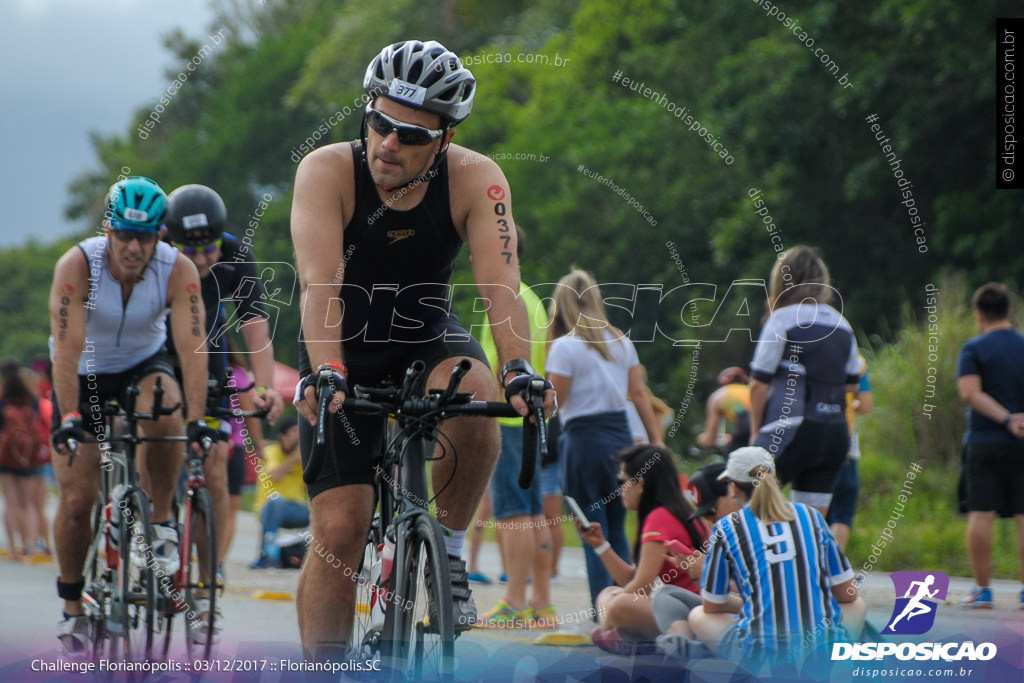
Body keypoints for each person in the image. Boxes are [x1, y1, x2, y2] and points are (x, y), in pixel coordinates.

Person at [289, 40, 555, 659]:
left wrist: (520, 367)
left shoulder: (477, 178)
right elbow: (319, 284)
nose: (389, 143)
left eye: (410, 135)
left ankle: (450, 557)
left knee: (480, 392)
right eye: (380, 121)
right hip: (340, 344)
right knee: (341, 528)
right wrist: (326, 371)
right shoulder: (327, 170)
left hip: (424, 335)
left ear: (444, 137)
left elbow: (500, 283)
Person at [48, 176, 218, 655]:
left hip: (143, 364)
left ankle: (160, 526)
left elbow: (192, 347)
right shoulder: (78, 265)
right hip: (83, 372)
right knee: (78, 499)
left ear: (160, 234)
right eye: (124, 234)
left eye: (144, 236)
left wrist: (198, 422)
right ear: (108, 229)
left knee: (166, 405)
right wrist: (68, 416)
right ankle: (72, 604)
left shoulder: (176, 268)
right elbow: (66, 348)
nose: (133, 246)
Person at [164, 184, 285, 573]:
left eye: (208, 248)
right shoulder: (157, 252)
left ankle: (207, 571)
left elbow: (255, 329)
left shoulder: (236, 255)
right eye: (190, 249)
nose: (200, 259)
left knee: (215, 458)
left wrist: (265, 388)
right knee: (159, 443)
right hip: (159, 350)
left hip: (209, 350)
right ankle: (159, 527)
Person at [674, 447, 866, 673]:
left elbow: (712, 605)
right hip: (818, 650)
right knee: (857, 605)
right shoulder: (811, 515)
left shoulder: (726, 528)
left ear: (733, 487)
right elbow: (847, 593)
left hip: (760, 656)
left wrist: (748, 602)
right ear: (774, 481)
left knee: (698, 615)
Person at [546, 268, 663, 608]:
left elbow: (557, 402)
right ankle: (623, 606)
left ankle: (603, 609)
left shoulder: (565, 348)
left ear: (561, 305)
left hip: (584, 442)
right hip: (622, 442)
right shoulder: (621, 342)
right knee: (615, 527)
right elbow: (639, 395)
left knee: (591, 532)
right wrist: (656, 441)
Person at [474, 229, 554, 629]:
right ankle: (541, 602)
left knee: (512, 513)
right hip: (531, 414)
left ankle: (515, 602)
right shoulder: (532, 297)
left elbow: (491, 362)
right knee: (534, 511)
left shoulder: (505, 297)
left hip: (507, 416)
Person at [748, 245, 861, 516]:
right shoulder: (842, 322)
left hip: (789, 429)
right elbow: (852, 385)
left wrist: (756, 433)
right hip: (834, 434)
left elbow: (757, 383)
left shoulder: (782, 319)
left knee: (746, 503)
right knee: (809, 525)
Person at [579, 445, 708, 654]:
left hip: (687, 612)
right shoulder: (677, 511)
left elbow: (641, 587)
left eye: (622, 481)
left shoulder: (659, 517)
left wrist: (608, 622)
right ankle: (630, 639)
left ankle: (621, 636)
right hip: (694, 607)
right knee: (609, 594)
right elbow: (635, 580)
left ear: (639, 484)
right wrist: (600, 545)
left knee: (618, 602)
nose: (620, 489)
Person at [956, 282, 1024, 608]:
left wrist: (1006, 417)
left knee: (981, 513)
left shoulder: (974, 349)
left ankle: (983, 591)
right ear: (1010, 311)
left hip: (984, 441)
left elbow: (970, 393)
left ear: (979, 315)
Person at [0, 358, 50, 560]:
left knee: (12, 502)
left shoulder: (2, 399)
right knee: (32, 504)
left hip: (5, 455)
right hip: (31, 454)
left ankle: (14, 546)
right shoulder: (33, 399)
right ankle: (32, 545)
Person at [826, 357, 872, 551]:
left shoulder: (804, 351)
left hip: (808, 440)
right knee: (841, 514)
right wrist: (850, 405)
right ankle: (834, 573)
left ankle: (808, 569)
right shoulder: (856, 362)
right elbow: (865, 406)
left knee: (811, 511)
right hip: (844, 441)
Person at [250, 416, 308, 568]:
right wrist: (293, 459)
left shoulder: (303, 456)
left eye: (300, 432)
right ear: (282, 436)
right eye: (294, 431)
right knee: (277, 501)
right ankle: (268, 553)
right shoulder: (271, 452)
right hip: (268, 507)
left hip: (296, 509)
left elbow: (310, 486)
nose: (298, 435)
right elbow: (274, 476)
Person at [697, 367, 751, 451]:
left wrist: (702, 439)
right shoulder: (751, 391)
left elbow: (710, 440)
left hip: (745, 427)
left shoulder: (718, 396)